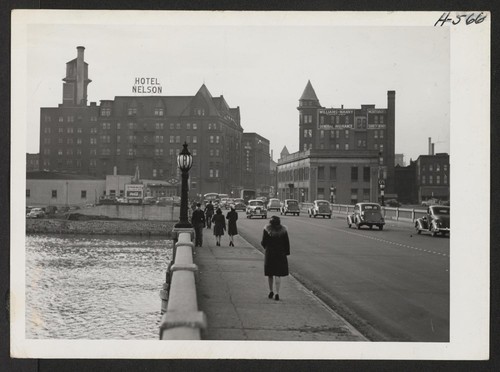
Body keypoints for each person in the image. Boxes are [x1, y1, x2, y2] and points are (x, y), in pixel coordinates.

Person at [261, 215, 290, 301]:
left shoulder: (266, 230)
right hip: (280, 254)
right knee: (278, 274)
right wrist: (286, 253)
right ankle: (277, 293)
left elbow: (263, 242)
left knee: (270, 274)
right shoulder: (284, 231)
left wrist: (267, 248)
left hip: (270, 254)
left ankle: (271, 291)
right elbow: (287, 243)